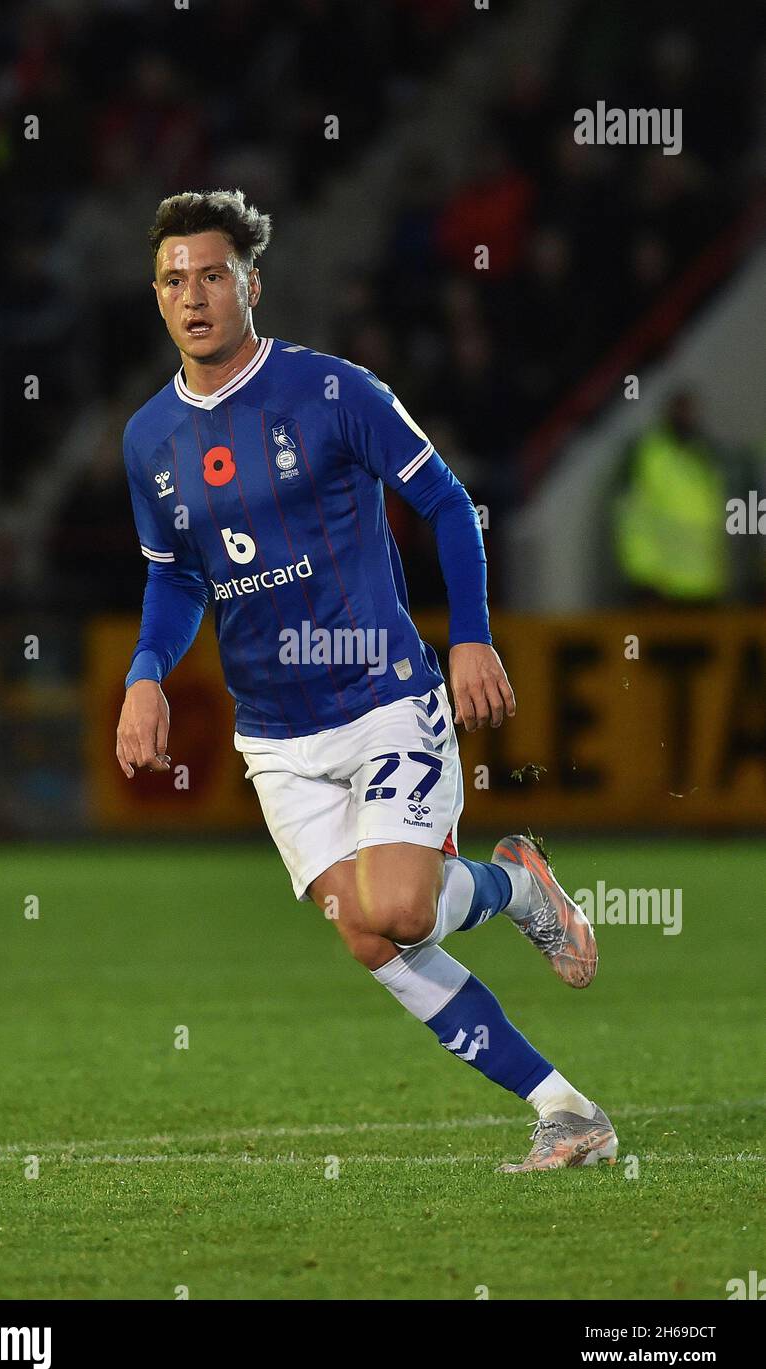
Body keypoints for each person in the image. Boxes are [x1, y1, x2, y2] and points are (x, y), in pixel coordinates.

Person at [115, 189, 616, 1172]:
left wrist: (468, 637)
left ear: (250, 285)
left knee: (396, 905)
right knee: (370, 937)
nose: (193, 295)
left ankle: (515, 888)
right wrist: (145, 673)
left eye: (212, 274)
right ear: (157, 296)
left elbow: (446, 503)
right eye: (174, 279)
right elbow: (174, 574)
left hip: (384, 698)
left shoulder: (334, 392)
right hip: (275, 735)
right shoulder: (146, 441)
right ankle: (564, 1110)